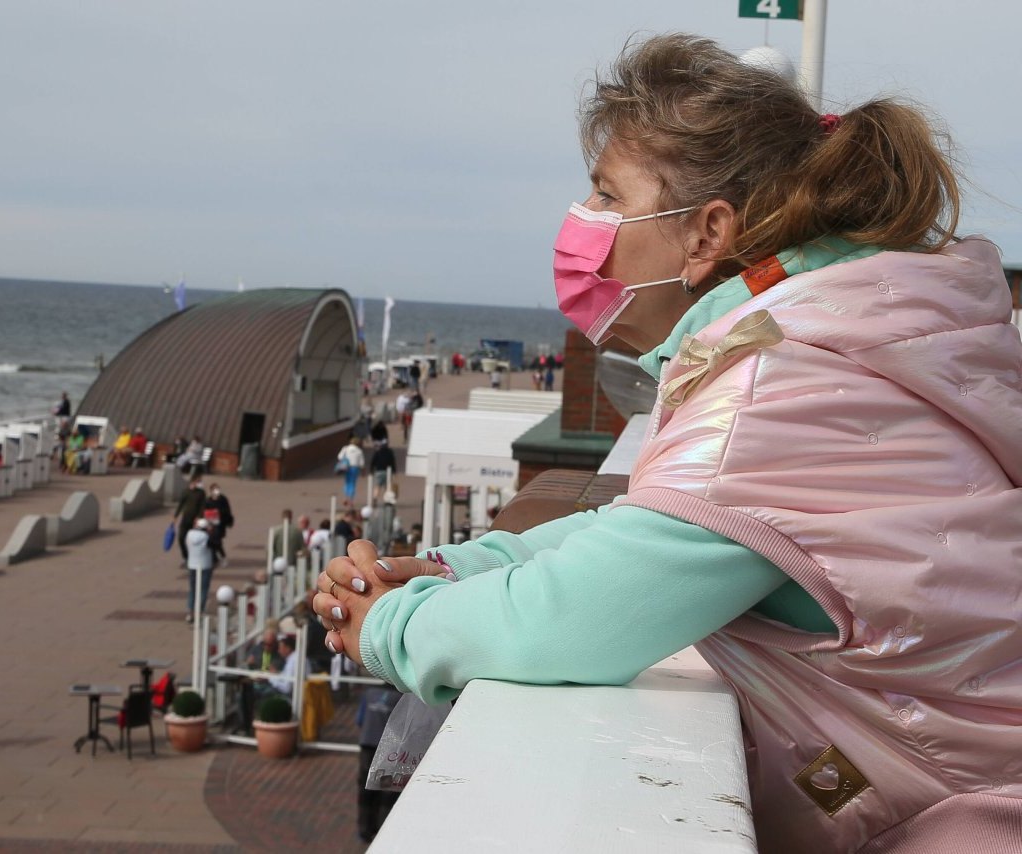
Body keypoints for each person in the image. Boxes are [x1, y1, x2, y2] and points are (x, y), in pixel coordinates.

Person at [314, 34, 1022, 852]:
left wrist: (389, 626)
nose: (584, 226)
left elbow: (573, 620)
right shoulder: (832, 339)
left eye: (608, 197)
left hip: (964, 817)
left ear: (707, 233)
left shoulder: (778, 384)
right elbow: (657, 529)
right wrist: (457, 567)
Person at [356, 685, 403, 842]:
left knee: (366, 788)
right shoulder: (401, 698)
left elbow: (360, 720)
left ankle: (364, 829)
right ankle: (383, 830)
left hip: (368, 745)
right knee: (388, 789)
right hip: (389, 749)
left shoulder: (369, 693)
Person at [184, 517, 214, 623]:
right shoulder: (206, 536)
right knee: (203, 590)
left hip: (192, 565)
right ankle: (200, 612)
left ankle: (190, 612)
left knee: (193, 589)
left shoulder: (189, 534)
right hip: (205, 565)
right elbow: (215, 544)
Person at [171, 474, 206, 564]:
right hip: (186, 519)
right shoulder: (185, 492)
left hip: (196, 521)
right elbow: (181, 505)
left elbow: (202, 507)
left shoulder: (201, 493)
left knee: (195, 541)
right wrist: (175, 516)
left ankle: (195, 558)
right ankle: (186, 557)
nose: (198, 484)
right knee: (181, 538)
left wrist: (198, 517)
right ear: (192, 482)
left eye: (199, 482)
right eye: (197, 482)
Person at [202, 483, 234, 565]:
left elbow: (227, 511)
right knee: (212, 541)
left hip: (220, 524)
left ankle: (223, 557)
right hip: (211, 524)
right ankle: (214, 558)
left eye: (218, 489)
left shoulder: (223, 499)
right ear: (211, 491)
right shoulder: (208, 500)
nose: (217, 491)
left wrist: (219, 513)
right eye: (215, 489)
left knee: (217, 542)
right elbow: (205, 512)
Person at [336, 436, 365, 507]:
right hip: (354, 468)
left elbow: (339, 457)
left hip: (346, 467)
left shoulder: (345, 448)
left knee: (347, 482)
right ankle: (351, 500)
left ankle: (346, 498)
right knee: (352, 483)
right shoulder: (359, 451)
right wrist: (363, 471)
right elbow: (361, 463)